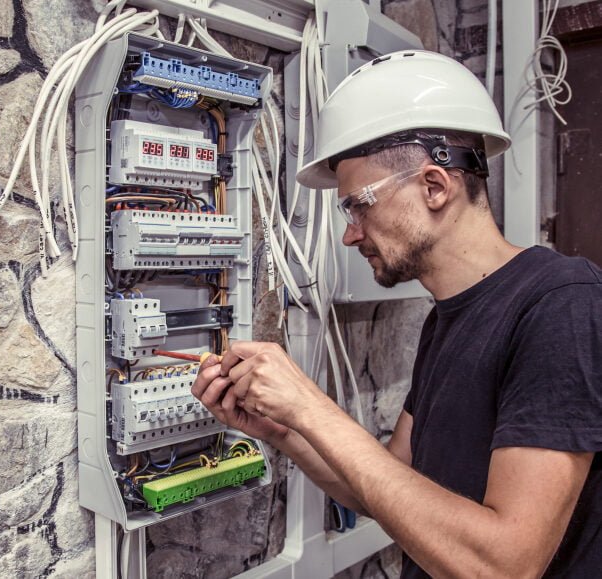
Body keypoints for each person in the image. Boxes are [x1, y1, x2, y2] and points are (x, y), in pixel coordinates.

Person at [191, 50, 602, 578]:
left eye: (359, 204)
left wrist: (312, 405)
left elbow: (504, 566)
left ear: (435, 186)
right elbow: (390, 481)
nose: (350, 232)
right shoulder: (449, 318)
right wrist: (282, 426)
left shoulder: (562, 305)